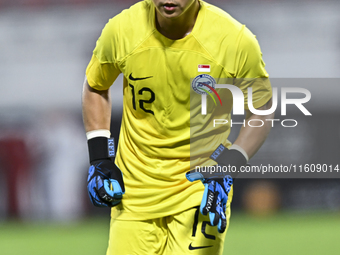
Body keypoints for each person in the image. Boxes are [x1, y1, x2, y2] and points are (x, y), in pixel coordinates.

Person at [82, 0, 274, 254]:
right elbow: (96, 85)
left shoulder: (235, 40)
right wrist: (99, 158)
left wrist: (229, 165)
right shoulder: (121, 30)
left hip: (200, 190)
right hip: (134, 193)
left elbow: (262, 110)